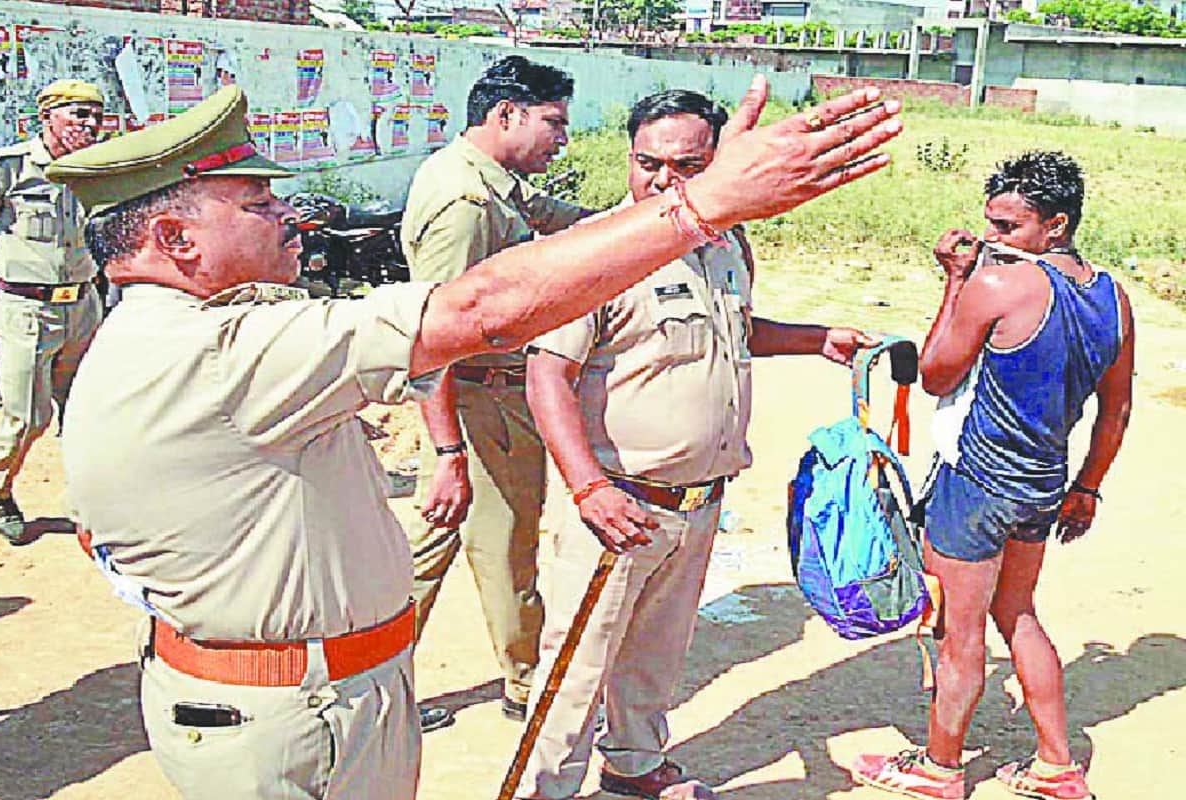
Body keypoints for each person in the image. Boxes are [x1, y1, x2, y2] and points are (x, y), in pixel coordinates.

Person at [48, 79, 901, 800]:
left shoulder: (202, 327)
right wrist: (705, 203)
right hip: (294, 716)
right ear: (173, 239)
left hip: (326, 695)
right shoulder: (214, 350)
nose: (290, 217)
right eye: (258, 203)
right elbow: (476, 313)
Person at [516, 89, 881, 800]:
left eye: (689, 164)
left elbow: (735, 332)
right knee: (577, 663)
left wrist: (814, 340)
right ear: (629, 159)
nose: (666, 181)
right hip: (619, 503)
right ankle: (547, 789)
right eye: (649, 163)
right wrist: (590, 487)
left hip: (698, 501)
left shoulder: (725, 242)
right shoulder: (601, 251)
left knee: (656, 653)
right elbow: (547, 376)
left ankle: (633, 762)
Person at [851, 151, 1134, 800]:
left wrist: (956, 280)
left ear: (1056, 225)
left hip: (977, 482)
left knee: (960, 631)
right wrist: (1087, 486)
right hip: (1044, 481)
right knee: (1020, 613)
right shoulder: (1111, 296)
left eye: (1007, 226)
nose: (991, 239)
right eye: (990, 223)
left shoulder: (1000, 285)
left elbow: (933, 373)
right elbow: (1115, 407)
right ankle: (1056, 765)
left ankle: (940, 768)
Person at [400, 54, 591, 725]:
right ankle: (525, 682)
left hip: (476, 402)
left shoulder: (490, 180)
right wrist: (450, 450)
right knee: (507, 546)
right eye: (554, 123)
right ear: (506, 115)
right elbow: (433, 339)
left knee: (432, 550)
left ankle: (377, 680)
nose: (562, 139)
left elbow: (554, 216)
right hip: (476, 403)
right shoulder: (465, 202)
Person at [0, 78, 104, 544]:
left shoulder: (96, 170)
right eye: (78, 114)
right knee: (27, 415)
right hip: (24, 307)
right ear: (48, 117)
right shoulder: (8, 168)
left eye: (96, 116)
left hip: (82, 305)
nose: (90, 124)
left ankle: (89, 501)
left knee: (85, 410)